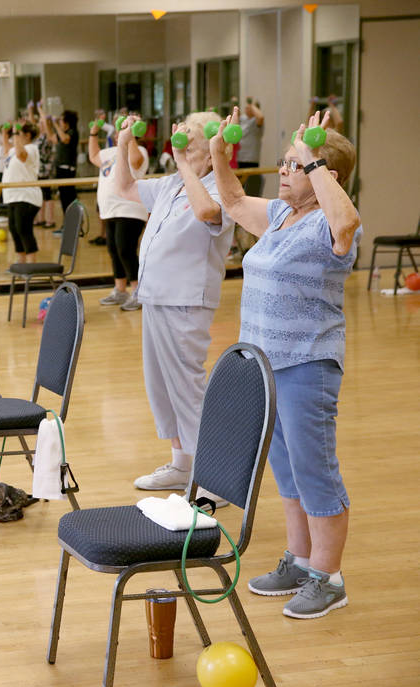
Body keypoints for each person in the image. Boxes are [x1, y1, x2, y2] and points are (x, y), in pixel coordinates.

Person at [210, 107, 361, 618]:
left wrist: (314, 160)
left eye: (294, 165)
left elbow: (349, 222)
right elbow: (230, 200)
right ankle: (300, 559)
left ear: (324, 173)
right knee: (285, 467)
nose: (283, 170)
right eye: (285, 162)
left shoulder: (331, 225)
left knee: (314, 468)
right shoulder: (279, 215)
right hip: (265, 366)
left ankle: (328, 576)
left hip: (306, 362)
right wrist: (217, 151)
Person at [111, 112, 235, 505]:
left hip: (185, 300)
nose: (179, 141)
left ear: (213, 146)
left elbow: (207, 214)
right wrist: (123, 143)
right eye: (179, 135)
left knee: (187, 387)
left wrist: (185, 164)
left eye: (189, 137)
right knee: (161, 387)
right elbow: (124, 187)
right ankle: (182, 463)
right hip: (155, 296)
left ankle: (214, 480)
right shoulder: (170, 184)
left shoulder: (219, 188)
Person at [88, 115, 148, 311]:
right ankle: (120, 290)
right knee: (114, 250)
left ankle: (139, 293)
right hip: (110, 210)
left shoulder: (140, 151)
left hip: (130, 209)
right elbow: (94, 156)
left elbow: (135, 161)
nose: (118, 132)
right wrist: (93, 133)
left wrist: (129, 135)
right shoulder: (109, 152)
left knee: (125, 249)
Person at [0, 122, 42, 264]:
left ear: (27, 135)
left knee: (23, 229)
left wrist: (16, 133)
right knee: (14, 229)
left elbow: (21, 155)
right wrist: (5, 135)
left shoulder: (31, 148)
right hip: (12, 196)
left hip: (26, 196)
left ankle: (32, 264)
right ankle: (21, 262)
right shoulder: (14, 149)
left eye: (18, 133)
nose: (14, 136)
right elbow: (8, 152)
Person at [52, 109, 81, 216]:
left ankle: (74, 222)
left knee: (69, 196)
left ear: (66, 122)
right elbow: (52, 138)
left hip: (68, 169)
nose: (60, 121)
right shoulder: (62, 132)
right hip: (60, 168)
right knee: (63, 197)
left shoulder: (72, 132)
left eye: (61, 120)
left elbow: (64, 139)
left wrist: (55, 124)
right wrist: (48, 122)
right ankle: (67, 222)